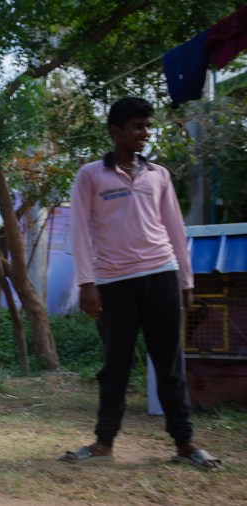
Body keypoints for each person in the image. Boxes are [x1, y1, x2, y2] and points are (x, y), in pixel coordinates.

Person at [61, 97, 223, 471]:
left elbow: (175, 229)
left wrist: (186, 281)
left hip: (161, 273)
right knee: (114, 363)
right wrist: (87, 282)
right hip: (114, 281)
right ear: (116, 131)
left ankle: (185, 443)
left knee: (169, 363)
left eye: (148, 126)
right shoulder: (90, 175)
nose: (145, 133)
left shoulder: (158, 174)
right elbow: (80, 231)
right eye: (137, 126)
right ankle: (103, 442)